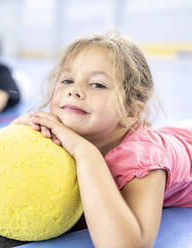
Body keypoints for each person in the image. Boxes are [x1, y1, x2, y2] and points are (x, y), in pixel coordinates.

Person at [12, 33, 192, 247]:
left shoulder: (141, 159)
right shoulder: (64, 128)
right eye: (67, 80)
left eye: (97, 85)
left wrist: (85, 151)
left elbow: (127, 245)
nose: (74, 90)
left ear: (131, 110)